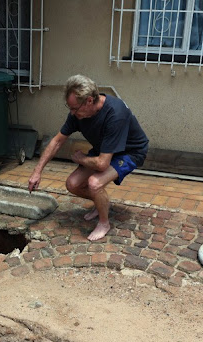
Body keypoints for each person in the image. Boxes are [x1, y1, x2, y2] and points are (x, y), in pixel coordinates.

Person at [28, 75, 149, 241]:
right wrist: (37, 172)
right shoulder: (78, 113)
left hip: (131, 152)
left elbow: (101, 164)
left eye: (75, 109)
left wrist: (81, 159)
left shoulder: (115, 114)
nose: (72, 113)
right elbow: (57, 141)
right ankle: (102, 204)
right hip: (105, 150)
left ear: (89, 101)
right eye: (69, 108)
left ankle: (104, 223)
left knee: (94, 183)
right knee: (73, 184)